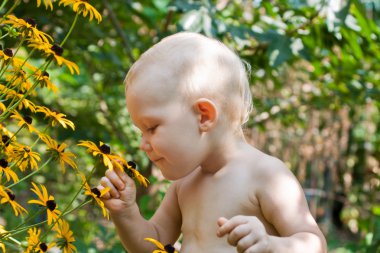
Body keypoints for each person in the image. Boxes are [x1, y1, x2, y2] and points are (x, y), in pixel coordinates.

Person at [97, 32, 327, 253]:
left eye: (152, 128)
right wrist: (126, 213)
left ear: (203, 116)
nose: (143, 144)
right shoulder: (184, 184)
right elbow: (153, 243)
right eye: (141, 132)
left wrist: (270, 245)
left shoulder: (266, 174)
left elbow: (314, 244)